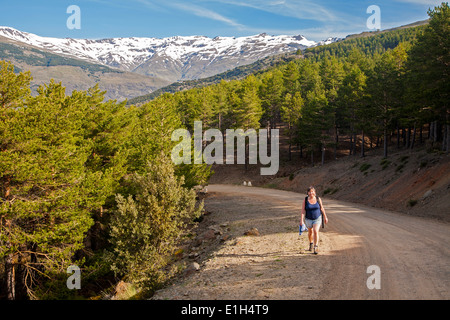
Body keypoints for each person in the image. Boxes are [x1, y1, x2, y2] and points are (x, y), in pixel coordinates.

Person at [300, 186, 328, 254]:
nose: (311, 193)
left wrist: (325, 217)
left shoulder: (318, 199)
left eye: (312, 191)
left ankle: (316, 247)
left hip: (317, 218)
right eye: (309, 191)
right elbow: (303, 210)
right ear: (307, 193)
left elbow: (322, 208)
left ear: (314, 192)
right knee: (310, 233)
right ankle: (311, 243)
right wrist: (301, 220)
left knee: (315, 231)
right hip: (308, 219)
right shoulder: (306, 200)